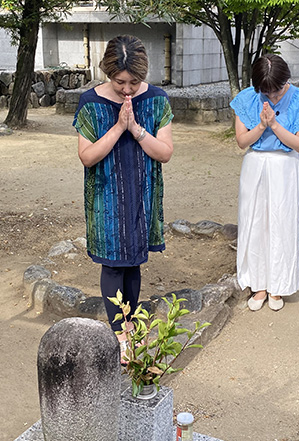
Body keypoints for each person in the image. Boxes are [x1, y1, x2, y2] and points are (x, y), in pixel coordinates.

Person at [74, 35, 174, 362]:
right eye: (120, 82)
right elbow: (87, 157)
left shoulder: (157, 99)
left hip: (142, 192)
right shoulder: (91, 103)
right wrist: (119, 127)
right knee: (113, 263)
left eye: (134, 81)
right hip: (106, 194)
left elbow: (165, 153)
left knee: (134, 261)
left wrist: (138, 130)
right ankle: (121, 335)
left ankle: (129, 328)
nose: (128, 89)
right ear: (108, 73)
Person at [230, 54, 299, 312]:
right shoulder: (247, 98)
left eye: (277, 90)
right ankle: (258, 284)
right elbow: (242, 141)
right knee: (254, 222)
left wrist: (275, 125)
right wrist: (260, 125)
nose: (272, 96)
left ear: (286, 81)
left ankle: (278, 285)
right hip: (255, 163)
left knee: (282, 223)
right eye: (266, 91)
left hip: (285, 165)